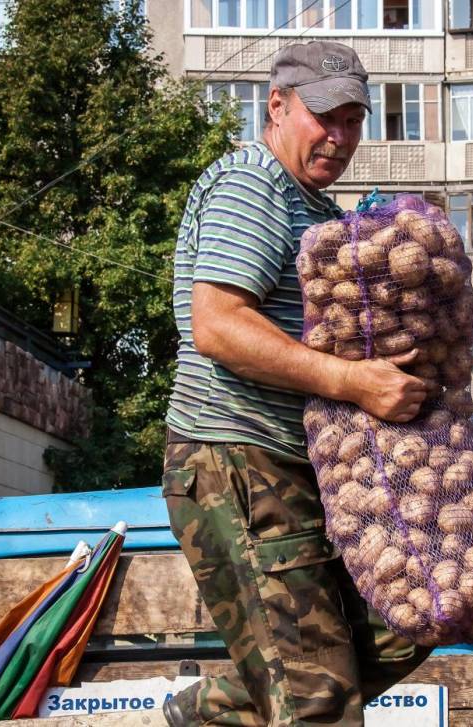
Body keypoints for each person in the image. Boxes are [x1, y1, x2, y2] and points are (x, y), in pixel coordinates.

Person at [161, 40, 432, 726]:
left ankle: (212, 711)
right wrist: (354, 382)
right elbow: (218, 325)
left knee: (412, 615)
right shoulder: (254, 184)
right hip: (237, 461)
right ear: (276, 106)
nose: (339, 137)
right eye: (324, 117)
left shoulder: (316, 211)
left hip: (307, 469)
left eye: (352, 121)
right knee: (318, 700)